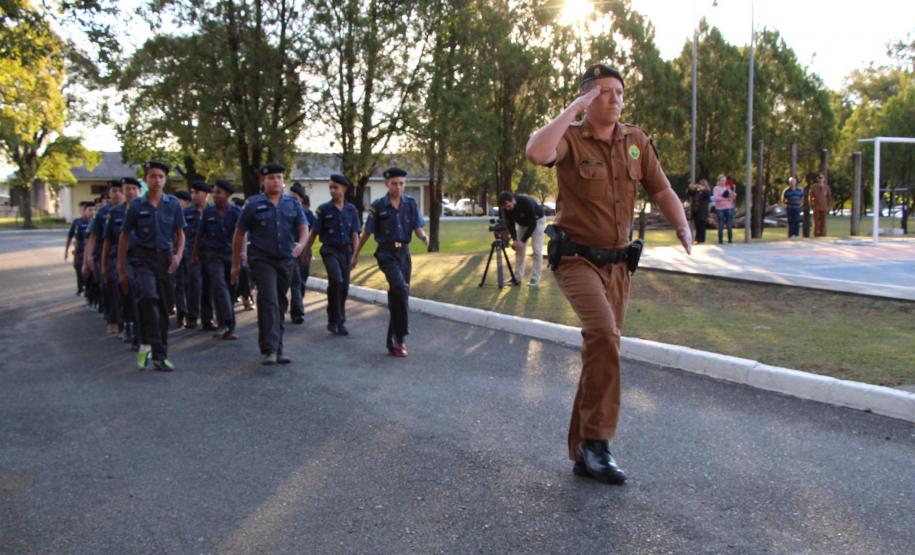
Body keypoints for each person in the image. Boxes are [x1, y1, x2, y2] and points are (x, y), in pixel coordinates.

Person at [525, 63, 691, 484]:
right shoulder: (570, 139)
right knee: (603, 335)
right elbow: (537, 153)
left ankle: (583, 449)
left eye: (618, 91)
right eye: (604, 92)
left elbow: (661, 188)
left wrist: (681, 223)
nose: (614, 98)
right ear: (587, 99)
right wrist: (571, 111)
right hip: (576, 259)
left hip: (618, 263)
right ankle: (598, 442)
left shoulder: (635, 141)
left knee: (602, 349)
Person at [231, 163, 307, 365]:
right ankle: (269, 349)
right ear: (263, 181)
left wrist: (300, 245)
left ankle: (278, 348)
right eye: (271, 178)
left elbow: (303, 228)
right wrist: (236, 264)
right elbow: (239, 234)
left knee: (280, 302)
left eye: (279, 178)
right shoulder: (253, 204)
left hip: (285, 259)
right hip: (262, 259)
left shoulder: (292, 204)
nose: (276, 181)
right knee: (269, 300)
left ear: (283, 181)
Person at [353, 167, 429, 356]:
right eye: (394, 183)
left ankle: (392, 342)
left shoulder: (410, 203)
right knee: (400, 288)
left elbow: (417, 227)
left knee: (399, 296)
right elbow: (367, 232)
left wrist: (423, 236)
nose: (398, 187)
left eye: (401, 183)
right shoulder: (378, 205)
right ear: (387, 184)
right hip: (386, 253)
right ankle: (401, 336)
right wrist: (355, 254)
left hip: (404, 253)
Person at [118, 161, 186, 371]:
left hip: (164, 259)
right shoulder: (137, 206)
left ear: (165, 180)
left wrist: (178, 255)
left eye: (160, 177)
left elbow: (180, 234)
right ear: (146, 180)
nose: (156, 180)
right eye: (152, 176)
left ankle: (156, 352)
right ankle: (148, 344)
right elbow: (124, 236)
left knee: (164, 307)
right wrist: (121, 267)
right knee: (148, 297)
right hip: (143, 259)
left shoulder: (172, 204)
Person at [303, 174, 361, 336]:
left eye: (335, 187)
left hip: (346, 252)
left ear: (344, 189)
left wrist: (355, 255)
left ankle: (337, 320)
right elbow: (314, 233)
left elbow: (355, 234)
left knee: (343, 287)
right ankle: (336, 320)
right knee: (336, 280)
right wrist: (306, 252)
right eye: (330, 187)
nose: (332, 191)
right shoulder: (324, 209)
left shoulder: (351, 210)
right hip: (329, 251)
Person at [193, 180, 240, 340]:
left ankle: (225, 326)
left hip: (231, 255)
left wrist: (242, 256)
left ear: (227, 195)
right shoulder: (208, 213)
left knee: (229, 290)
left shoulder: (236, 212)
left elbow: (241, 235)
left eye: (218, 192)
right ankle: (228, 322)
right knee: (219, 286)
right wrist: (194, 255)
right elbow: (200, 235)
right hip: (212, 256)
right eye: (214, 192)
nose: (215, 195)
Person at [101, 177, 141, 347]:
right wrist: (103, 264)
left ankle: (139, 327)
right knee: (126, 287)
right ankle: (129, 324)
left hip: (143, 257)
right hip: (122, 258)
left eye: (133, 188)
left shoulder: (146, 208)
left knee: (144, 293)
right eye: (127, 189)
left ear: (139, 191)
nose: (130, 192)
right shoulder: (115, 213)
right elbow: (107, 240)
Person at [177, 183, 211, 329]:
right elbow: (179, 233)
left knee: (208, 285)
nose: (194, 195)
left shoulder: (213, 211)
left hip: (210, 252)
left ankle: (207, 319)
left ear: (206, 194)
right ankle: (192, 316)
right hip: (192, 252)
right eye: (192, 192)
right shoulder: (186, 213)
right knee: (194, 283)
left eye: (197, 192)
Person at [497, 191, 546, 287]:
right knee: (519, 251)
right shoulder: (507, 209)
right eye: (505, 207)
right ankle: (517, 278)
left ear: (512, 200)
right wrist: (515, 240)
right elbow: (510, 225)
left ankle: (535, 278)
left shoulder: (525, 202)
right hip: (522, 224)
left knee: (536, 250)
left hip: (537, 221)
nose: (507, 208)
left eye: (508, 205)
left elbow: (533, 224)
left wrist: (523, 241)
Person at [287, 182, 309, 324]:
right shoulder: (286, 211)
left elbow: (310, 233)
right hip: (291, 251)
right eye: (291, 196)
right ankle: (297, 312)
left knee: (302, 281)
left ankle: (297, 304)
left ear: (301, 199)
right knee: (295, 281)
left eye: (296, 197)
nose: (293, 199)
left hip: (305, 251)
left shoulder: (308, 214)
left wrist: (306, 250)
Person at [65, 202, 93, 296]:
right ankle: (81, 287)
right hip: (81, 251)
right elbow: (71, 237)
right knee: (79, 269)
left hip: (92, 251)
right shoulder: (78, 222)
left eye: (93, 209)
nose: (91, 212)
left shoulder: (96, 221)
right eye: (89, 210)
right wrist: (67, 251)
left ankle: (88, 290)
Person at [712, 175, 736, 244]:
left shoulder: (728, 188)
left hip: (729, 207)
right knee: (720, 224)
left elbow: (732, 197)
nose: (723, 182)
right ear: (719, 181)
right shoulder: (716, 188)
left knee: (729, 224)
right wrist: (726, 199)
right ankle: (720, 240)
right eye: (722, 180)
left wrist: (730, 191)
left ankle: (730, 239)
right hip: (720, 208)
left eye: (724, 180)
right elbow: (716, 198)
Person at [687, 179, 712, 244]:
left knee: (702, 225)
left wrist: (702, 189)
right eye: (700, 184)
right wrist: (690, 187)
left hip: (703, 211)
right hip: (696, 210)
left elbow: (707, 194)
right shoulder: (697, 190)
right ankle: (697, 239)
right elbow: (690, 193)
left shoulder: (707, 191)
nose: (701, 185)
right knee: (697, 225)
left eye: (703, 184)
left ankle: (702, 239)